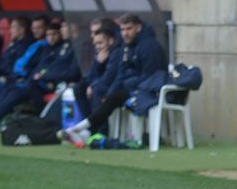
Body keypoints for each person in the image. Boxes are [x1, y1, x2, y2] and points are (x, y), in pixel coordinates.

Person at [59, 14, 167, 143]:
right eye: (123, 29)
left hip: (150, 90)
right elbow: (119, 74)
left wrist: (123, 85)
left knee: (106, 94)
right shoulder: (128, 46)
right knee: (98, 92)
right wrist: (100, 67)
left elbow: (150, 76)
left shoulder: (149, 46)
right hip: (132, 87)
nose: (125, 33)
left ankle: (86, 130)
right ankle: (84, 130)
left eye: (129, 29)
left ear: (138, 28)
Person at [0, 21, 80, 133]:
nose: (64, 30)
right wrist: (39, 75)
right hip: (36, 82)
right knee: (7, 88)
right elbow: (42, 68)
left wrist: (45, 76)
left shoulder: (76, 48)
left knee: (17, 91)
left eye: (65, 27)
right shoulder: (57, 47)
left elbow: (71, 72)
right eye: (63, 27)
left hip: (49, 85)